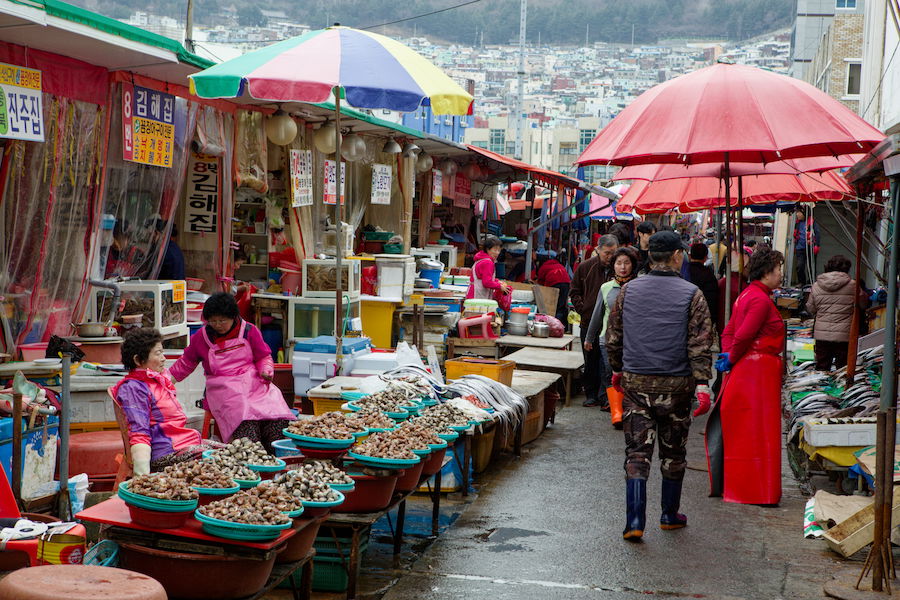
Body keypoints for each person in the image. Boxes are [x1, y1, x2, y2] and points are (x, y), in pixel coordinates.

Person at [606, 231, 715, 541]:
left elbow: (612, 337)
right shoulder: (692, 294)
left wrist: (617, 369)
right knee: (673, 452)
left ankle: (635, 521)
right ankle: (669, 514)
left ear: (649, 255)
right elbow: (700, 344)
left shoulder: (628, 291)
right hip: (677, 386)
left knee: (637, 453)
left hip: (636, 383)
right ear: (677, 256)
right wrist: (703, 384)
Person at [706, 249, 785, 506]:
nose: (781, 274)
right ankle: (757, 490)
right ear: (766, 272)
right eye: (779, 269)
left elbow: (729, 332)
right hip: (757, 372)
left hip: (746, 370)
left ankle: (744, 488)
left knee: (744, 431)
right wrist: (731, 356)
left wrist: (729, 356)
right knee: (759, 432)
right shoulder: (760, 300)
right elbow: (743, 335)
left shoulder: (747, 295)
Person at [169, 293, 295, 453]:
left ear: (233, 317)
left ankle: (277, 455)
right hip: (223, 388)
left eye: (222, 320)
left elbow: (263, 356)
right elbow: (186, 363)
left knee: (276, 415)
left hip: (254, 383)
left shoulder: (249, 331)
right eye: (213, 321)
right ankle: (252, 457)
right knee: (246, 418)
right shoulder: (202, 337)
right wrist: (166, 381)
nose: (217, 325)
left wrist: (266, 370)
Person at [112, 328, 222, 474]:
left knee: (232, 451)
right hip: (165, 453)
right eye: (158, 353)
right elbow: (139, 434)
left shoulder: (157, 380)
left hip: (183, 443)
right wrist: (143, 479)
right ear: (138, 360)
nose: (164, 358)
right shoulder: (134, 388)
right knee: (219, 458)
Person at [584, 246, 639, 429]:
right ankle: (617, 413)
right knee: (610, 375)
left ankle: (629, 409)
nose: (622, 267)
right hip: (607, 340)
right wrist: (589, 338)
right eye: (619, 263)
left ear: (633, 265)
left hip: (634, 341)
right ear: (613, 266)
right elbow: (597, 314)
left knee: (630, 376)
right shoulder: (606, 287)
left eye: (626, 263)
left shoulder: (639, 287)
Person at [571, 234, 619, 408]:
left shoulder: (619, 268)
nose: (610, 257)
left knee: (606, 362)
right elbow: (574, 291)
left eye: (613, 253)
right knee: (590, 359)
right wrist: (583, 310)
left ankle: (605, 396)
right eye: (607, 253)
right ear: (598, 250)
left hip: (610, 325)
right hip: (588, 321)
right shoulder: (585, 267)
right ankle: (591, 394)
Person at [806, 254, 870, 371]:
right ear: (846, 269)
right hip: (844, 336)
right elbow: (863, 304)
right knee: (842, 370)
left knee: (822, 369)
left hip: (822, 335)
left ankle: (822, 389)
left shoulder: (816, 286)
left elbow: (811, 309)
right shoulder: (853, 286)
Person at [466, 235, 512, 313]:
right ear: (487, 249)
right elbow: (486, 282)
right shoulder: (487, 262)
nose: (497, 253)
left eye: (499, 250)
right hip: (477, 297)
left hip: (473, 295)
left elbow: (483, 277)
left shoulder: (481, 259)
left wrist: (497, 281)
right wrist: (499, 286)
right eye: (495, 250)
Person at [717, 250, 750, 334]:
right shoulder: (743, 288)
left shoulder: (721, 282)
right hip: (735, 330)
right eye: (747, 267)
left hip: (722, 327)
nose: (749, 270)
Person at [688, 243, 719, 328]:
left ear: (690, 255)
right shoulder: (708, 275)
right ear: (705, 257)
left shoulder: (684, 271)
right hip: (702, 318)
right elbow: (712, 299)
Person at [535, 249, 571, 322]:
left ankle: (553, 323)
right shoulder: (559, 264)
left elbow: (540, 282)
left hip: (554, 284)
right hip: (566, 283)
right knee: (561, 305)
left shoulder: (544, 267)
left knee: (553, 306)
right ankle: (559, 324)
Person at [793, 207, 820, 286]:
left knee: (811, 267)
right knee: (799, 266)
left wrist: (817, 245)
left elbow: (817, 234)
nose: (797, 214)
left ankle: (811, 282)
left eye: (799, 212)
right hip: (800, 248)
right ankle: (802, 282)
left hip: (810, 247)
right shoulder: (797, 223)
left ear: (804, 212)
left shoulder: (812, 223)